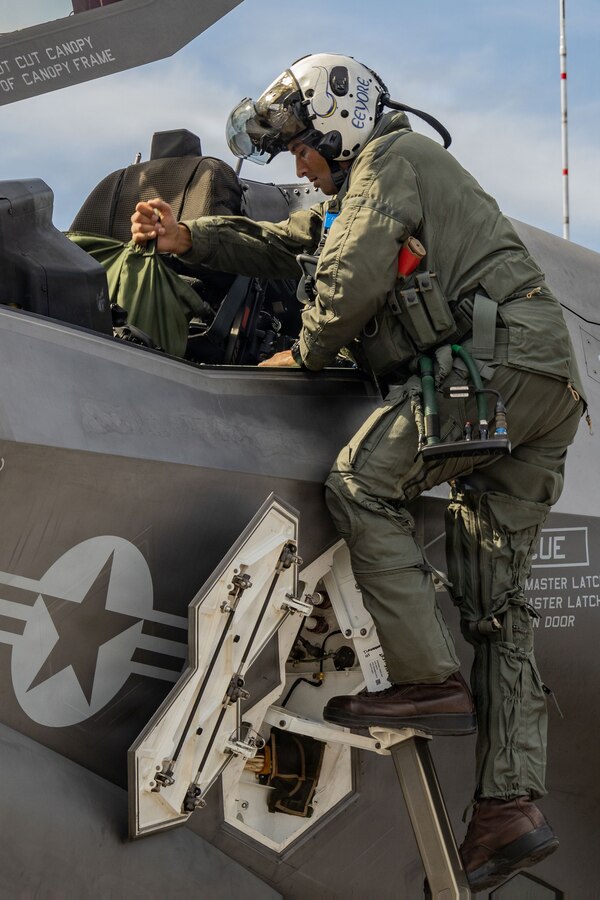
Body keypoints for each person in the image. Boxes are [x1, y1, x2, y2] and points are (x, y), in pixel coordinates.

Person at [131, 53, 586, 891]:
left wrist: (295, 357)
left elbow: (349, 281)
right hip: (539, 385)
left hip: (494, 373)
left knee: (361, 483)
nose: (297, 164)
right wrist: (186, 236)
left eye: (301, 147)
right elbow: (285, 243)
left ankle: (425, 679)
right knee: (496, 604)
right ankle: (508, 809)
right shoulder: (356, 193)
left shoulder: (391, 164)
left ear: (337, 127)